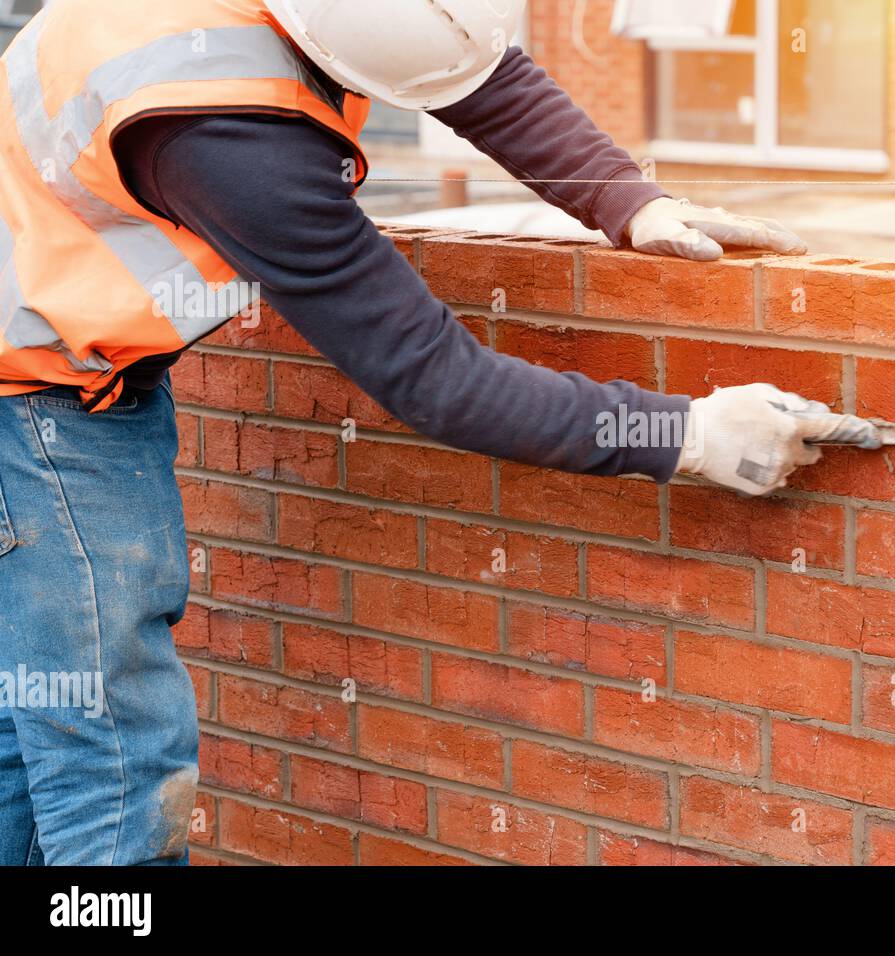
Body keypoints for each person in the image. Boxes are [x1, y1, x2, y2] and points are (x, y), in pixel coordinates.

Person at [0, 0, 846, 865]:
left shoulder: (314, 19)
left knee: (35, 733)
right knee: (113, 768)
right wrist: (688, 434)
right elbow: (434, 378)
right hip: (39, 404)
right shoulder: (227, 137)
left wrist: (629, 201)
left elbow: (475, 74)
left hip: (50, 370)